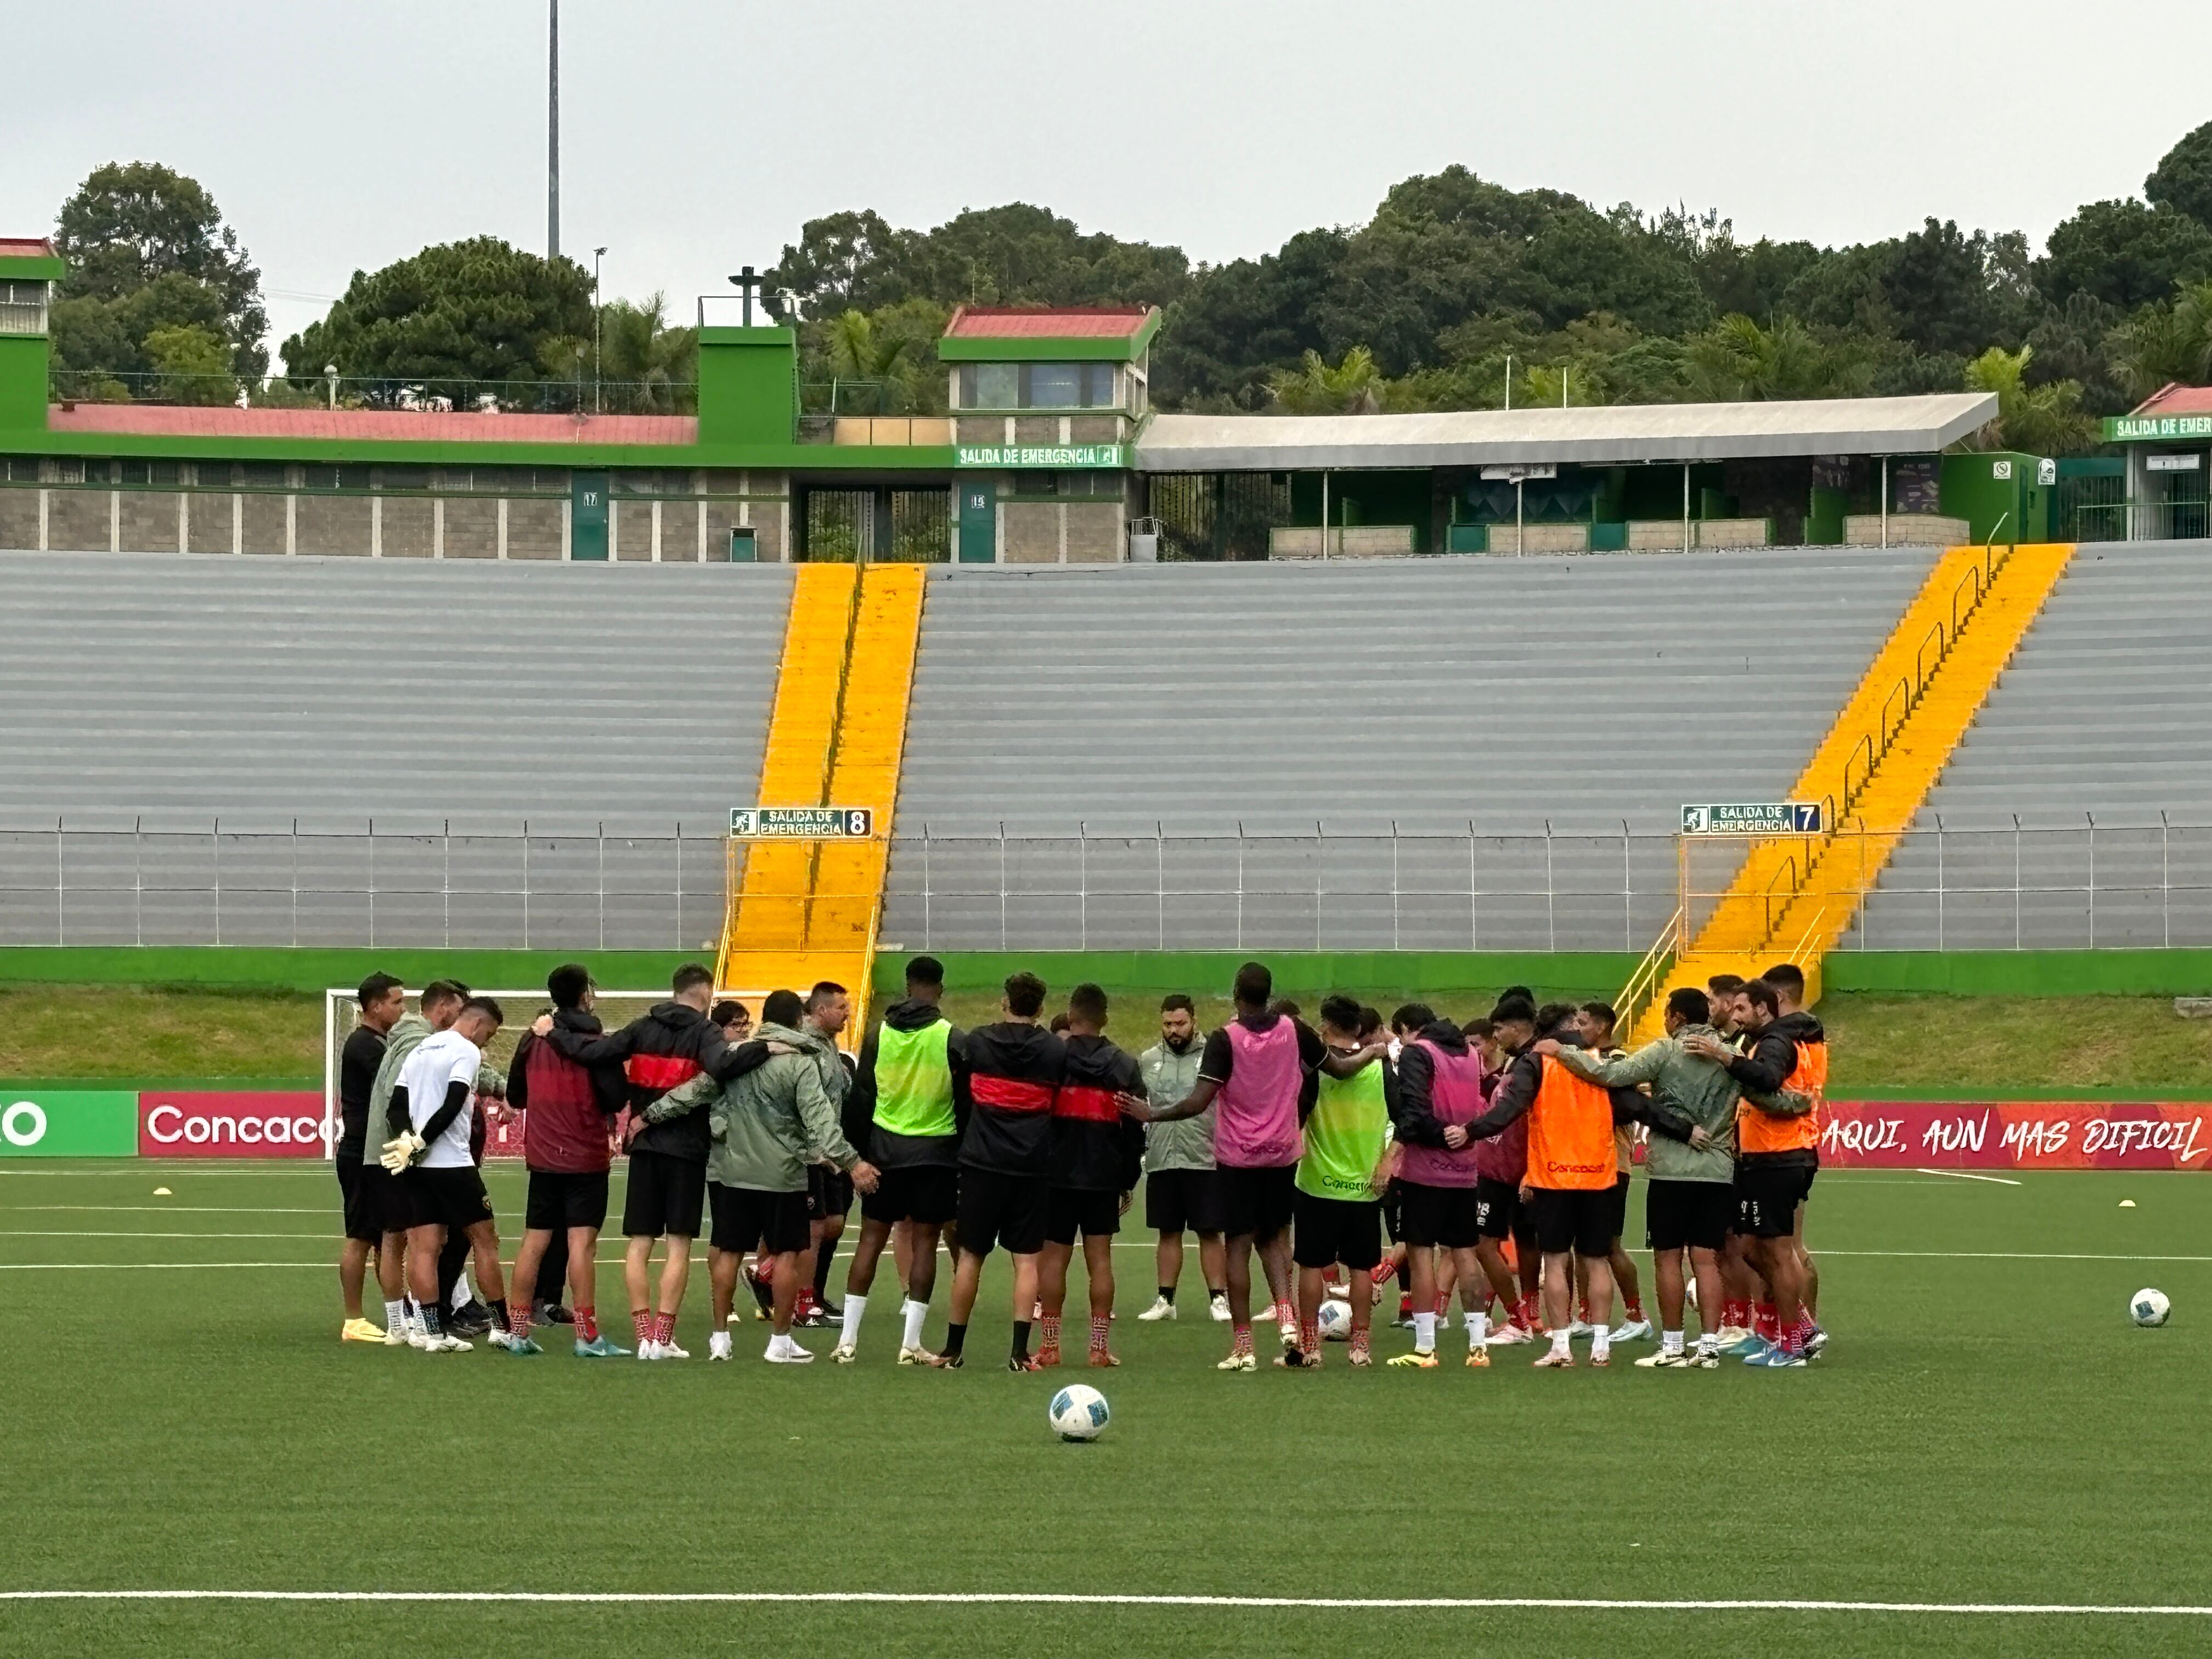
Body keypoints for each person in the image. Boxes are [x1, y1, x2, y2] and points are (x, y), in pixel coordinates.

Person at [1120, 962, 1383, 1371]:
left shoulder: (1226, 1039)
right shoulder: (1294, 1031)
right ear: (1269, 993)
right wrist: (1371, 1050)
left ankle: (1244, 1348)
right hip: (1281, 1153)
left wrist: (1151, 1114)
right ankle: (1287, 1321)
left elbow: (1198, 1101)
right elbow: (1340, 1067)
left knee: (1238, 1246)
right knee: (1277, 1239)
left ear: (1236, 995)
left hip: (1238, 1157)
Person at [1463, 1002, 1706, 1369]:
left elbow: (1510, 1109)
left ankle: (1561, 1347)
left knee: (1556, 1262)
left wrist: (1470, 1131)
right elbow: (1638, 1106)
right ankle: (1600, 1346)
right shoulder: (1599, 1064)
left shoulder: (1537, 1062)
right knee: (1596, 1262)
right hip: (1598, 1175)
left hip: (1554, 1176)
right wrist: (1685, 1130)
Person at [649, 988, 880, 1363]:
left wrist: (650, 1115)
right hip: (782, 1172)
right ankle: (779, 1341)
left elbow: (696, 1090)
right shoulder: (801, 1062)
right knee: (788, 1254)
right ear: (797, 1020)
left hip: (732, 1171)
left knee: (728, 1251)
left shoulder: (736, 1056)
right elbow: (820, 1121)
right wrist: (853, 1162)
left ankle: (720, 1337)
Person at [535, 963, 733, 1358]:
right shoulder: (706, 1032)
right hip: (687, 1150)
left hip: (643, 1146)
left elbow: (594, 1052)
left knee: (640, 1243)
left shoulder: (644, 1026)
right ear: (706, 994)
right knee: (678, 1246)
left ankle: (643, 1336)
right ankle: (663, 1337)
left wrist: (553, 1034)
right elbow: (721, 1069)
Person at [1549, 988, 1740, 1368]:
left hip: (1671, 1169)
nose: (1666, 1021)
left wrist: (1563, 1051)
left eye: (1668, 1014)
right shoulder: (1730, 1055)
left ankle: (1672, 1345)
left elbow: (1611, 1073)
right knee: (1706, 1260)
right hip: (1717, 1168)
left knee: (1668, 1259)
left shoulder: (1666, 1050)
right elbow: (1762, 1086)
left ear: (1679, 1018)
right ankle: (1709, 1346)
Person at [1683, 969, 1824, 1367]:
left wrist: (1724, 1058)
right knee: (1750, 1246)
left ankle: (1795, 1341)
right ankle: (1792, 1328)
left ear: (1766, 1006)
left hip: (1781, 1154)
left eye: (1743, 1007)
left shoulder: (1777, 1040)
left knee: (1780, 1253)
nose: (1737, 1014)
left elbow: (1767, 1078)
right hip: (1765, 1154)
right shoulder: (1775, 1037)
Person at [833, 956, 967, 1365]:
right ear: (939, 988)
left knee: (870, 1241)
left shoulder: (878, 1034)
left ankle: (847, 1341)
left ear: (909, 986)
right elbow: (965, 1102)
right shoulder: (951, 1037)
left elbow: (861, 1097)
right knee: (926, 1243)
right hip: (935, 1155)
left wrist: (858, 1157)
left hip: (885, 1154)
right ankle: (910, 1344)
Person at [934, 972, 1066, 1371]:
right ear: (1041, 1008)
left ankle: (952, 1351)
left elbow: (962, 1092)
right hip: (1030, 1167)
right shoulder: (1054, 1052)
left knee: (971, 1257)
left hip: (982, 1163)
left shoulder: (978, 1042)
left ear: (1004, 1002)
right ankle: (1019, 1354)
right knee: (1026, 1261)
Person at [379, 996, 520, 1354]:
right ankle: (502, 1328)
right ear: (477, 1024)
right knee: (486, 1242)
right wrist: (424, 1141)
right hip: (453, 1165)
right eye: (489, 1033)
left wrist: (407, 1141)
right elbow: (455, 1101)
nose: (486, 1040)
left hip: (417, 1168)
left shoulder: (422, 1049)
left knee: (425, 1249)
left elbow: (396, 1107)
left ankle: (432, 1334)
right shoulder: (466, 1051)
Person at [502, 964, 628, 1358]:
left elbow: (516, 1095)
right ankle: (587, 1336)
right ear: (583, 994)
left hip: (542, 1155)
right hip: (585, 1155)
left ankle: (518, 1332)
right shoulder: (594, 1041)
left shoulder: (530, 1039)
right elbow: (614, 1098)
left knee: (534, 1241)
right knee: (581, 1246)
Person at [362, 979, 477, 1344]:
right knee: (418, 1241)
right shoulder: (421, 1043)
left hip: (385, 1150)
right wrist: (412, 1145)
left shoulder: (408, 1039)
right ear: (444, 1008)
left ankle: (401, 1325)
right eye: (459, 1011)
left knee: (395, 1240)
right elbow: (400, 1099)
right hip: (400, 1152)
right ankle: (421, 1326)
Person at [1037, 984, 1145, 1368]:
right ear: (1105, 1019)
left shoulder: (1053, 1059)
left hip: (1058, 1175)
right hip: (1103, 1176)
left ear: (1070, 1015)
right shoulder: (1124, 1064)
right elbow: (1135, 1128)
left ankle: (1050, 1347)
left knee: (1053, 1261)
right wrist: (1127, 1179)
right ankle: (1098, 1348)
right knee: (1100, 1262)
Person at [1284, 996, 1396, 1369]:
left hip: (1317, 1181)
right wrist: (1388, 1162)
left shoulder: (1315, 1068)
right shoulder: (1382, 1069)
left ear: (1327, 1026)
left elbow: (1296, 1114)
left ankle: (1312, 1347)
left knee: (1311, 1266)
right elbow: (1406, 1120)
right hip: (1365, 1185)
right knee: (1361, 1268)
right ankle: (1360, 1348)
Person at [1384, 1002, 1492, 1369]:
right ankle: (1479, 1347)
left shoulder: (1419, 1053)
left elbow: (1414, 1112)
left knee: (1421, 1254)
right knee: (1465, 1253)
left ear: (1408, 1030)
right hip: (1465, 1171)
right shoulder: (1470, 1053)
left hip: (1426, 1170)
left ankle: (1426, 1347)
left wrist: (1397, 1152)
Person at [1132, 995, 1227, 1324]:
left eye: (1180, 1023)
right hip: (1162, 1158)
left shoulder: (1213, 1056)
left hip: (1205, 1156)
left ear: (1194, 1021)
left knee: (1209, 1231)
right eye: (1168, 1024)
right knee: (1168, 1232)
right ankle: (1165, 1300)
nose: (1174, 1030)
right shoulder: (1147, 1060)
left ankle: (1219, 1300)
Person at [335, 971, 404, 1344]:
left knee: (384, 1237)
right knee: (361, 1236)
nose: (402, 1008)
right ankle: (353, 1319)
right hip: (362, 1152)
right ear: (376, 1006)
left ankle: (398, 1313)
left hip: (371, 1152)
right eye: (397, 1002)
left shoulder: (377, 1042)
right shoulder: (366, 1045)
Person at [1577, 1000, 1651, 1344]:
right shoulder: (1580, 1057)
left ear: (1603, 1025)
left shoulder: (1619, 1061)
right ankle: (1587, 1316)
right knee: (1581, 1244)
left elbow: (1625, 1110)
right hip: (1579, 1163)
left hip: (1612, 1164)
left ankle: (1637, 1315)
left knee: (1609, 1246)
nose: (1579, 1029)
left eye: (1584, 1022)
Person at [797, 984, 859, 1328]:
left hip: (830, 1148)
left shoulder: (829, 1045)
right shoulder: (805, 1047)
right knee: (813, 1229)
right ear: (820, 1011)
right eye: (840, 1007)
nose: (847, 1012)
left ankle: (781, 1281)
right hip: (811, 1151)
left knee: (832, 1224)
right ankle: (802, 1303)